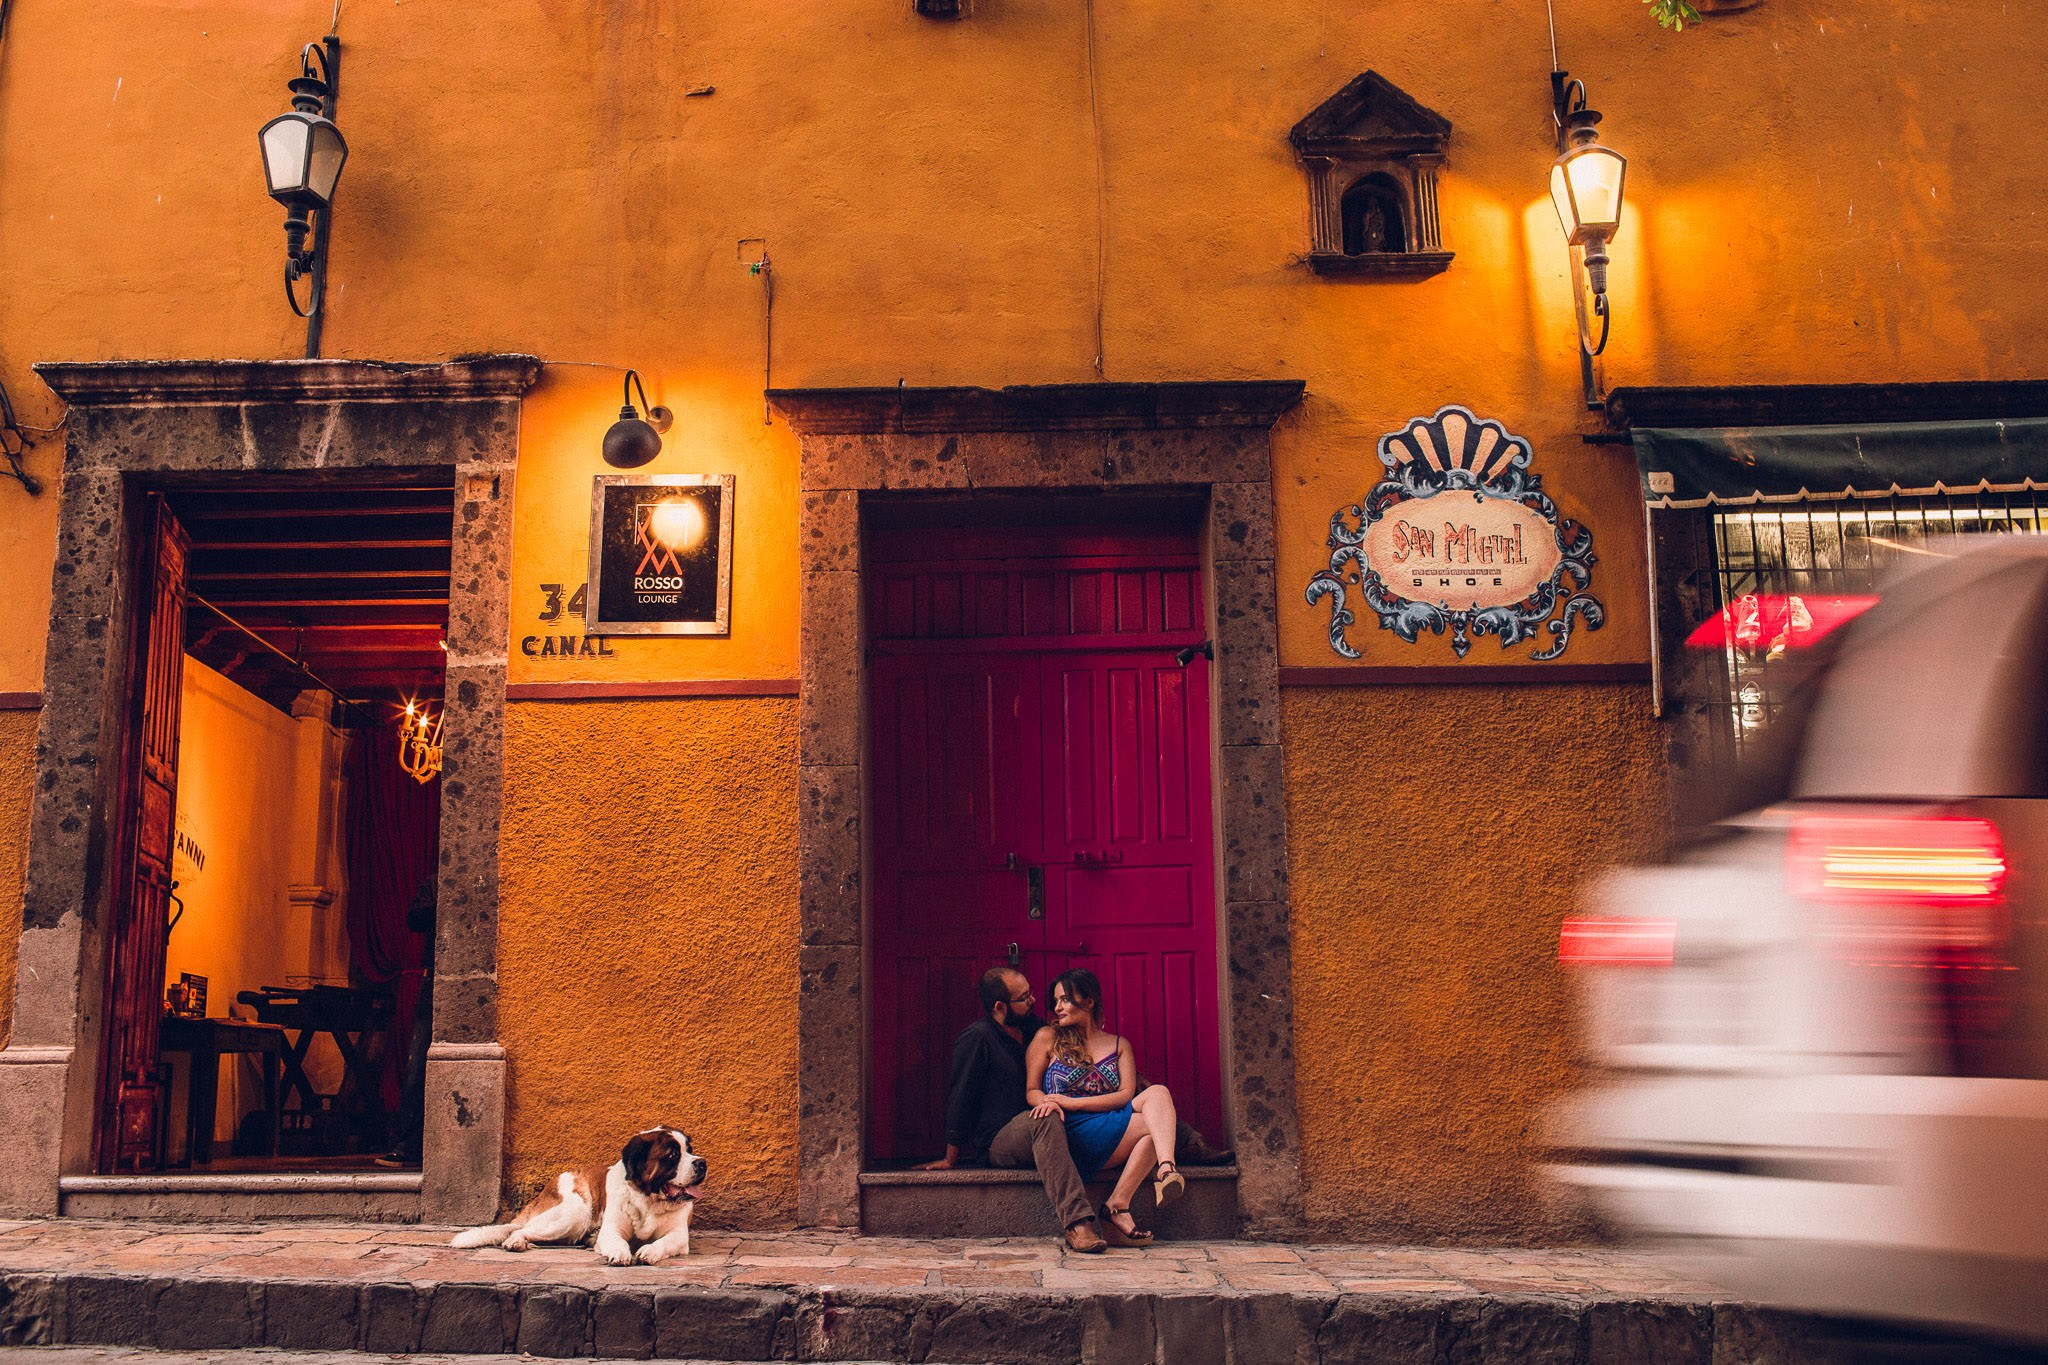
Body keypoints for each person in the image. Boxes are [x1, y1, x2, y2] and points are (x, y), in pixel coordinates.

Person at [914, 967, 1109, 1253]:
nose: (1032, 1000)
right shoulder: (977, 1038)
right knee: (1046, 1114)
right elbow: (961, 1095)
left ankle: (1193, 1146)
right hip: (1001, 1140)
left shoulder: (1036, 1029)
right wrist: (950, 1157)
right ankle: (1078, 1223)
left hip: (1050, 1129)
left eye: (1030, 992)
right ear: (1000, 1007)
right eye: (1023, 997)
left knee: (1139, 1096)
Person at [1025, 967, 1185, 1247]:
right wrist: (1049, 1103)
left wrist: (1074, 1101)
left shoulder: (1119, 1044)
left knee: (1158, 1094)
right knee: (1157, 1127)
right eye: (1056, 1001)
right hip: (1066, 1131)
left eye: (1064, 999)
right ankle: (1122, 1207)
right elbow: (1032, 1090)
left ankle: (1159, 1175)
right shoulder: (1047, 1038)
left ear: (1088, 1002)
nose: (1057, 1007)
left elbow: (1124, 1094)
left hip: (1109, 1121)